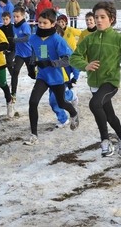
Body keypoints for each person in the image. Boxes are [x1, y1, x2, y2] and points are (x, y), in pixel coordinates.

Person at [70, 1, 121, 157]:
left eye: (102, 17)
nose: (98, 20)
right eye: (96, 17)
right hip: (94, 84)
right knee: (109, 114)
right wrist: (85, 65)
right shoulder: (89, 39)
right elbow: (74, 57)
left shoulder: (119, 39)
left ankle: (105, 141)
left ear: (111, 19)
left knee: (95, 104)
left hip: (110, 82)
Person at [23, 8, 79, 146]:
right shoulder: (34, 37)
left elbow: (68, 60)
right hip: (42, 77)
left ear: (53, 24)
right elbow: (35, 52)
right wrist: (31, 66)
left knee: (61, 103)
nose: (41, 25)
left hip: (56, 77)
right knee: (33, 102)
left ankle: (73, 113)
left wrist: (51, 63)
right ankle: (34, 135)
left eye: (44, 23)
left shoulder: (57, 40)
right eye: (39, 22)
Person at [10, 7, 33, 104]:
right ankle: (13, 94)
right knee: (15, 72)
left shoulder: (24, 25)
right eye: (14, 16)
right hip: (19, 54)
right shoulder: (14, 26)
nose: (15, 18)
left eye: (17, 17)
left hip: (28, 54)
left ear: (23, 16)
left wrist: (16, 40)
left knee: (32, 74)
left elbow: (28, 38)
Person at [0, 11, 15, 76]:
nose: (5, 21)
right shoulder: (1, 29)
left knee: (9, 61)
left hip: (14, 47)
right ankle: (13, 75)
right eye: (3, 19)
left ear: (10, 19)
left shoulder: (13, 27)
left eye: (6, 19)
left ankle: (13, 75)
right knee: (8, 63)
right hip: (6, 48)